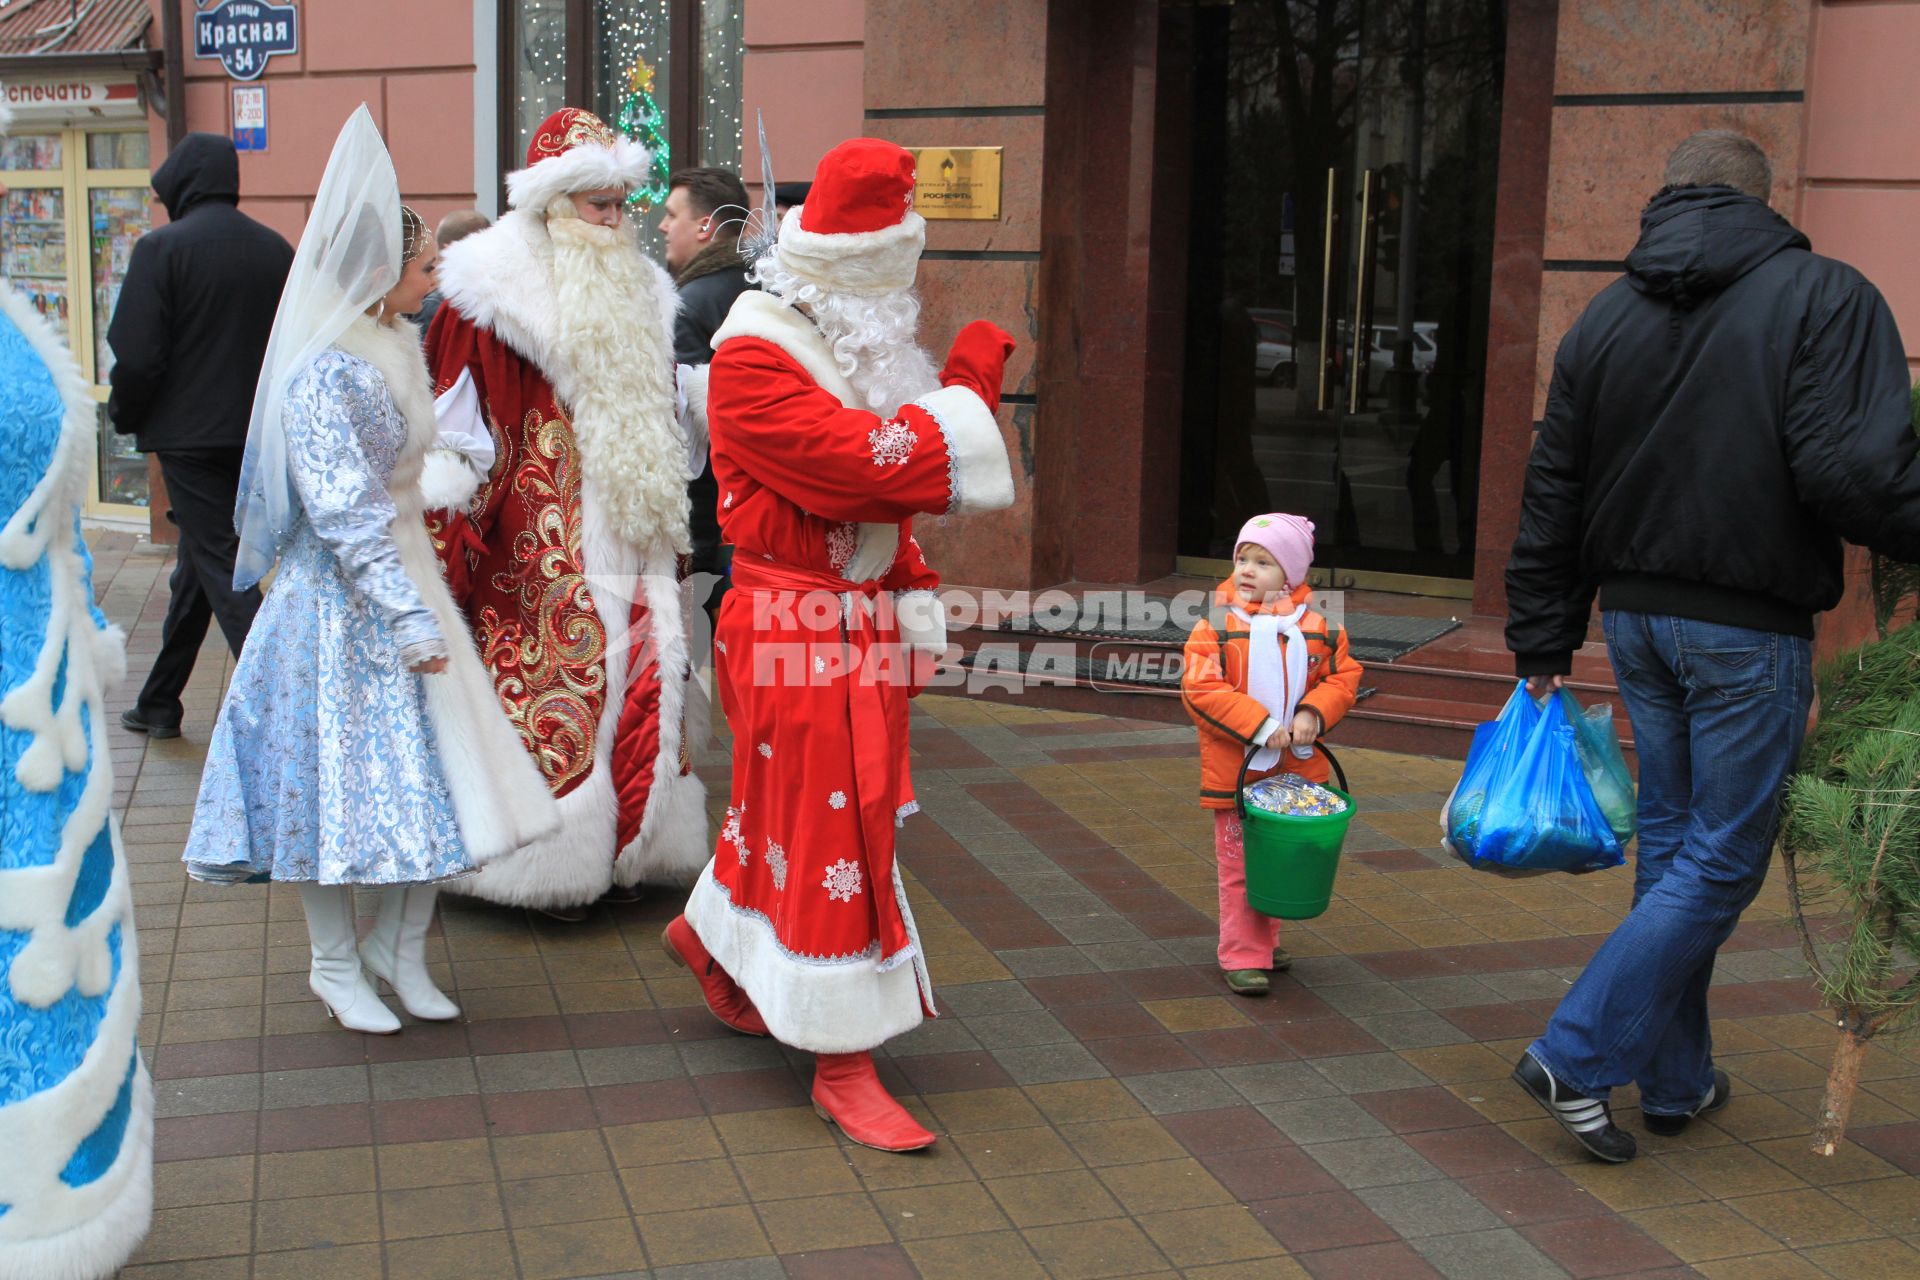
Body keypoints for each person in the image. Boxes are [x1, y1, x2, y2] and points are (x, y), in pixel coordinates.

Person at [1505, 130, 1920, 1162]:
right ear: (1762, 199)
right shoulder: (1825, 295)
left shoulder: (1604, 316)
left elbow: (1552, 487)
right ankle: (1574, 1050)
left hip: (1637, 620)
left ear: (1667, 194)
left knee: (1681, 845)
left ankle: (1677, 1079)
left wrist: (1543, 636)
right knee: (1722, 858)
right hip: (1747, 623)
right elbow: (1854, 472)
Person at [665, 137, 1017, 1153]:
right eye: (887, 275)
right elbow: (863, 467)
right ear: (836, 269)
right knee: (839, 828)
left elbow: (882, 494)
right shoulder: (756, 354)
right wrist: (966, 394)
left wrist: (906, 589)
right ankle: (843, 1056)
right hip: (794, 625)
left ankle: (713, 941)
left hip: (839, 620)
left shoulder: (834, 338)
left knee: (784, 809)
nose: (899, 297)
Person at [182, 108, 557, 1034]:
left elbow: (387, 487)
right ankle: (334, 963)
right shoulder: (325, 372)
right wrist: (409, 616)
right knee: (333, 793)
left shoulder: (391, 346)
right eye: (425, 267)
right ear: (375, 274)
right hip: (340, 609)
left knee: (441, 782)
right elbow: (345, 516)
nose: (435, 283)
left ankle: (398, 951)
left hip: (402, 586)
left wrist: (442, 491)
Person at [423, 107, 708, 919]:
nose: (619, 223)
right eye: (601, 207)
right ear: (553, 204)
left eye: (623, 206)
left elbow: (655, 404)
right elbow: (455, 427)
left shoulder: (647, 291)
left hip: (636, 532)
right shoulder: (484, 296)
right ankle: (534, 866)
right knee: (554, 688)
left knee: (646, 673)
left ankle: (635, 849)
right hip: (532, 536)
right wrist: (452, 530)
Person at [0, 96, 153, 1280]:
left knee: (55, 954)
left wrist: (91, 627)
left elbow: (55, 520)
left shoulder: (13, 319)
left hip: (42, 707)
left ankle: (59, 1201)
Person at [107, 133, 294, 741]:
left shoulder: (160, 250)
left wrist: (126, 415)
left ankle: (286, 708)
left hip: (188, 439)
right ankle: (160, 701)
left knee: (221, 565)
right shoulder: (274, 251)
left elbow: (136, 356)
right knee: (201, 563)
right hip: (258, 435)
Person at [1180, 514, 1360, 995]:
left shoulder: (1321, 624)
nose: (1247, 569)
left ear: (1293, 574)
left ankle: (1260, 941)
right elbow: (1201, 688)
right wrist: (1257, 725)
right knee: (1240, 864)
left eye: (1263, 561)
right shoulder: (1217, 621)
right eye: (1242, 558)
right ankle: (1243, 954)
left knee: (1279, 858)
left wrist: (1313, 714)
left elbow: (1343, 679)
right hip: (1236, 770)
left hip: (1297, 767)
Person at [659, 165, 754, 626]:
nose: (662, 225)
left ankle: (691, 694)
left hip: (703, 507)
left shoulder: (689, 301)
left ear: (705, 226)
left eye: (671, 214)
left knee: (692, 639)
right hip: (752, 502)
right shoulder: (762, 286)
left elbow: (688, 421)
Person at [410, 209, 489, 334]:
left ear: (448, 249)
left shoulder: (435, 306)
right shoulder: (503, 300)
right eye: (427, 269)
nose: (432, 280)